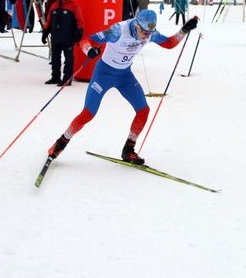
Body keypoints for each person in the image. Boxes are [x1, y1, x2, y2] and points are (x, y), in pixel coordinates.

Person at [46, 10, 199, 165]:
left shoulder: (150, 32)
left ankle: (128, 150)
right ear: (137, 24)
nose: (147, 35)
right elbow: (86, 40)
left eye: (149, 32)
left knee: (143, 110)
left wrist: (184, 30)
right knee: (88, 113)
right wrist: (89, 50)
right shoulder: (118, 30)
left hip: (124, 76)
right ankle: (60, 143)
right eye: (144, 32)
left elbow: (169, 43)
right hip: (103, 75)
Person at [42, 0, 84, 86]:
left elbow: (80, 20)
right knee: (55, 58)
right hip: (56, 37)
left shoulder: (73, 5)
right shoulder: (53, 6)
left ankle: (67, 78)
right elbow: (48, 21)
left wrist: (80, 31)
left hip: (68, 37)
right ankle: (55, 77)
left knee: (68, 59)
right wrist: (45, 32)